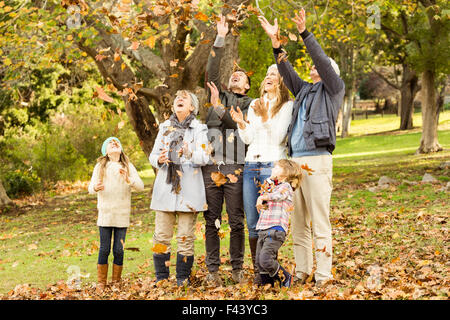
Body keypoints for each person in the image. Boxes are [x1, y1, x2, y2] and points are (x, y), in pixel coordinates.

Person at [259, 8, 345, 287]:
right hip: (296, 164)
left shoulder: (333, 89)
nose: (311, 67)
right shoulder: (306, 90)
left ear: (328, 71)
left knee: (319, 221)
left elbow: (319, 58)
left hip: (318, 161)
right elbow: (286, 68)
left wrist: (305, 33)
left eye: (318, 66)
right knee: (298, 223)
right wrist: (276, 43)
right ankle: (302, 271)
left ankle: (323, 275)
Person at [202, 14, 254, 286]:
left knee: (236, 221)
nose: (236, 75)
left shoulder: (250, 105)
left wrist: (220, 110)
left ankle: (237, 269)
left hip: (235, 166)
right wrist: (220, 37)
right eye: (234, 74)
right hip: (211, 166)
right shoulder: (218, 94)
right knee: (211, 220)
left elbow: (237, 126)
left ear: (246, 86)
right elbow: (211, 70)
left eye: (241, 76)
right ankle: (212, 272)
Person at [229, 64, 293, 285]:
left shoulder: (287, 106)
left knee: (269, 221)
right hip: (251, 164)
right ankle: (261, 273)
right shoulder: (255, 104)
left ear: (282, 81)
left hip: (271, 165)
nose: (268, 77)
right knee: (253, 221)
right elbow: (248, 139)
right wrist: (241, 124)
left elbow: (277, 138)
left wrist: (265, 117)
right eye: (266, 74)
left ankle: (271, 270)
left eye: (273, 74)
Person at [149, 90, 209, 286]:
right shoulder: (165, 126)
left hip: (189, 190)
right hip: (166, 187)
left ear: (192, 107)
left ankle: (182, 279)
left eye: (185, 98)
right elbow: (153, 155)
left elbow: (205, 157)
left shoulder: (199, 128)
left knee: (185, 236)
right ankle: (162, 278)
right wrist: (158, 159)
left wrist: (189, 152)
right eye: (177, 98)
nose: (179, 99)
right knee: (161, 236)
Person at [88, 137, 144, 292]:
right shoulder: (100, 166)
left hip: (122, 214)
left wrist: (128, 178)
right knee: (104, 249)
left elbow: (140, 186)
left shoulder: (127, 166)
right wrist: (95, 187)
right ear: (106, 151)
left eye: (117, 142)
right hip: (105, 214)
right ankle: (101, 282)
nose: (114, 143)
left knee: (119, 250)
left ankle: (116, 281)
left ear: (121, 149)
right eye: (110, 143)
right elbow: (90, 187)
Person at [255, 159, 303, 288]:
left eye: (277, 168)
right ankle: (267, 285)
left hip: (275, 230)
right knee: (260, 261)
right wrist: (267, 186)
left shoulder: (286, 187)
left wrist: (262, 198)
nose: (273, 169)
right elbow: (265, 194)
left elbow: (277, 196)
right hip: (263, 229)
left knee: (266, 259)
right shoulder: (272, 187)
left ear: (286, 173)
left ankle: (286, 277)